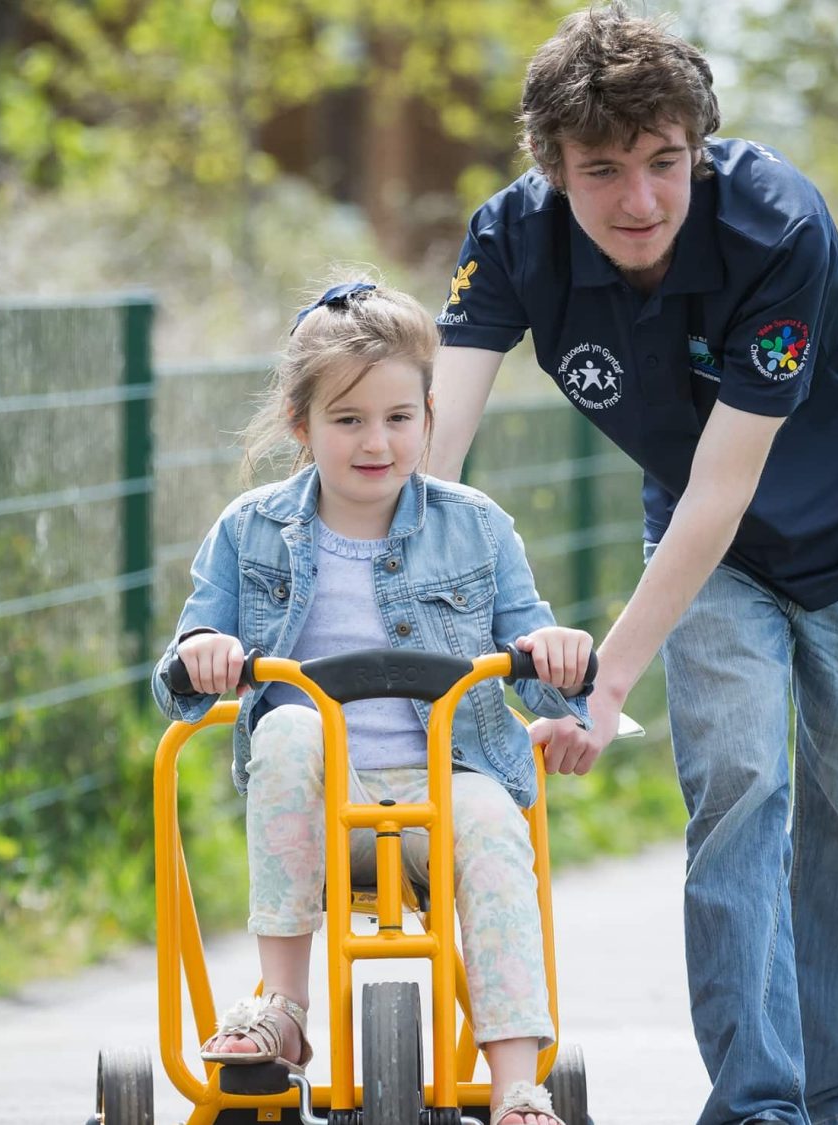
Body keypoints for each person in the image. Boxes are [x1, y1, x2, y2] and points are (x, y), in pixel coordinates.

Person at [427, 7, 838, 1124]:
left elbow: (729, 484)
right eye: (602, 170)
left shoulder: (777, 229)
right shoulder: (512, 240)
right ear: (552, 169)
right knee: (735, 788)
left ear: (699, 150)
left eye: (665, 163)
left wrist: (604, 678)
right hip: (709, 553)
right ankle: (759, 1103)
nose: (639, 201)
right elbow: (432, 449)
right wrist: (396, 598)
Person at [153, 280, 595, 1125]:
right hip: (318, 801)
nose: (376, 442)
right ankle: (281, 1007)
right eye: (348, 420)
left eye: (398, 417)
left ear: (430, 417)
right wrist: (199, 659)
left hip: (447, 776)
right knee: (286, 722)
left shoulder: (480, 526)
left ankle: (514, 1085)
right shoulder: (249, 531)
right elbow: (176, 679)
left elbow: (539, 672)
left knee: (495, 822)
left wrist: (562, 656)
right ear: (302, 426)